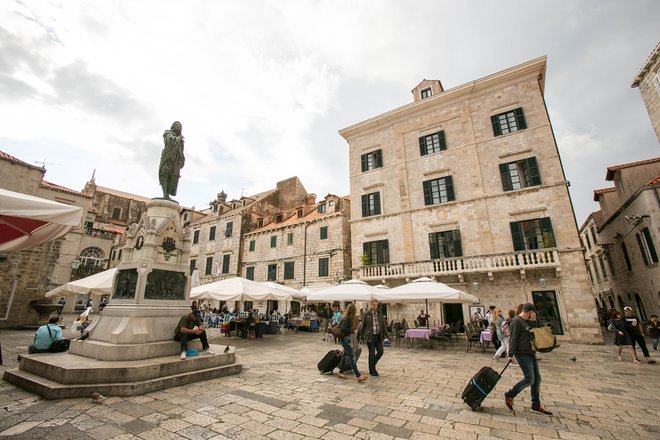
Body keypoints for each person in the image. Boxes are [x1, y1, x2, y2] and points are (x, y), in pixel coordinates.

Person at [504, 303, 553, 416]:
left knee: (537, 380)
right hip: (521, 354)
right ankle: (510, 394)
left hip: (531, 352)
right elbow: (513, 338)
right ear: (530, 312)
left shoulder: (528, 321)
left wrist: (535, 321)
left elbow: (538, 332)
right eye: (533, 312)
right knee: (530, 379)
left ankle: (535, 405)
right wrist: (510, 354)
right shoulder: (516, 321)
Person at [336, 304, 367, 382]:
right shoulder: (347, 318)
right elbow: (343, 328)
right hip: (346, 340)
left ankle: (340, 373)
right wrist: (352, 330)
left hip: (347, 340)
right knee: (352, 357)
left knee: (344, 356)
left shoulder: (350, 318)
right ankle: (358, 375)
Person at [360, 299, 388, 377]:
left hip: (378, 336)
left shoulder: (379, 314)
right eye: (373, 305)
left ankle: (372, 365)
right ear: (371, 305)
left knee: (380, 351)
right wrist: (361, 336)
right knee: (371, 353)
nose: (375, 307)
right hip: (370, 336)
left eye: (376, 305)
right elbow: (363, 326)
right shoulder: (366, 314)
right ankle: (372, 370)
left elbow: (383, 325)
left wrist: (387, 335)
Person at [159, 121, 185, 199]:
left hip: (176, 160)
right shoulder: (167, 133)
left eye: (178, 125)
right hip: (167, 156)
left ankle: (168, 192)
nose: (176, 126)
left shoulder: (180, 138)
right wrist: (179, 139)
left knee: (174, 176)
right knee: (165, 173)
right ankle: (165, 194)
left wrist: (182, 159)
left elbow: (181, 150)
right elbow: (170, 141)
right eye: (175, 124)